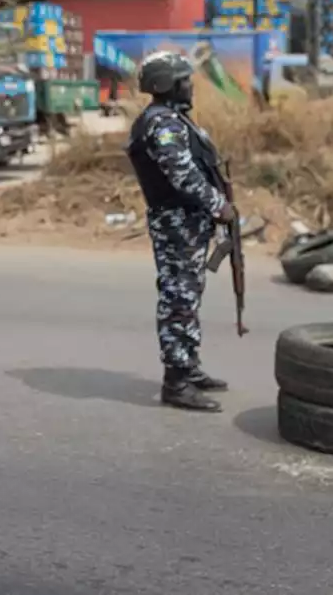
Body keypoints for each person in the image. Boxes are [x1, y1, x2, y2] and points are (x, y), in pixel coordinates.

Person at [124, 50, 235, 413]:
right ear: (165, 85)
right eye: (184, 80)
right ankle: (176, 382)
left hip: (187, 221)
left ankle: (188, 366)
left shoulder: (173, 119)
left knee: (188, 294)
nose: (191, 86)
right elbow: (182, 175)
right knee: (178, 298)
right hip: (177, 221)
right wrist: (218, 205)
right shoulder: (163, 124)